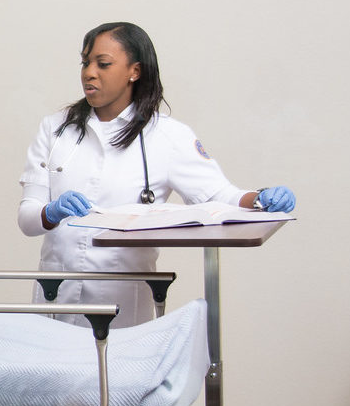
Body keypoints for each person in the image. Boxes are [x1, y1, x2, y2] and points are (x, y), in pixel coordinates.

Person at [16, 22, 297, 327]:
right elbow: (28, 220)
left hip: (122, 301)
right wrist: (51, 212)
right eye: (85, 62)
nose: (89, 72)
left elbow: (219, 196)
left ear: (134, 71)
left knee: (119, 372)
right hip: (56, 296)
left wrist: (260, 199)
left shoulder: (166, 136)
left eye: (103, 63)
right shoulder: (55, 130)